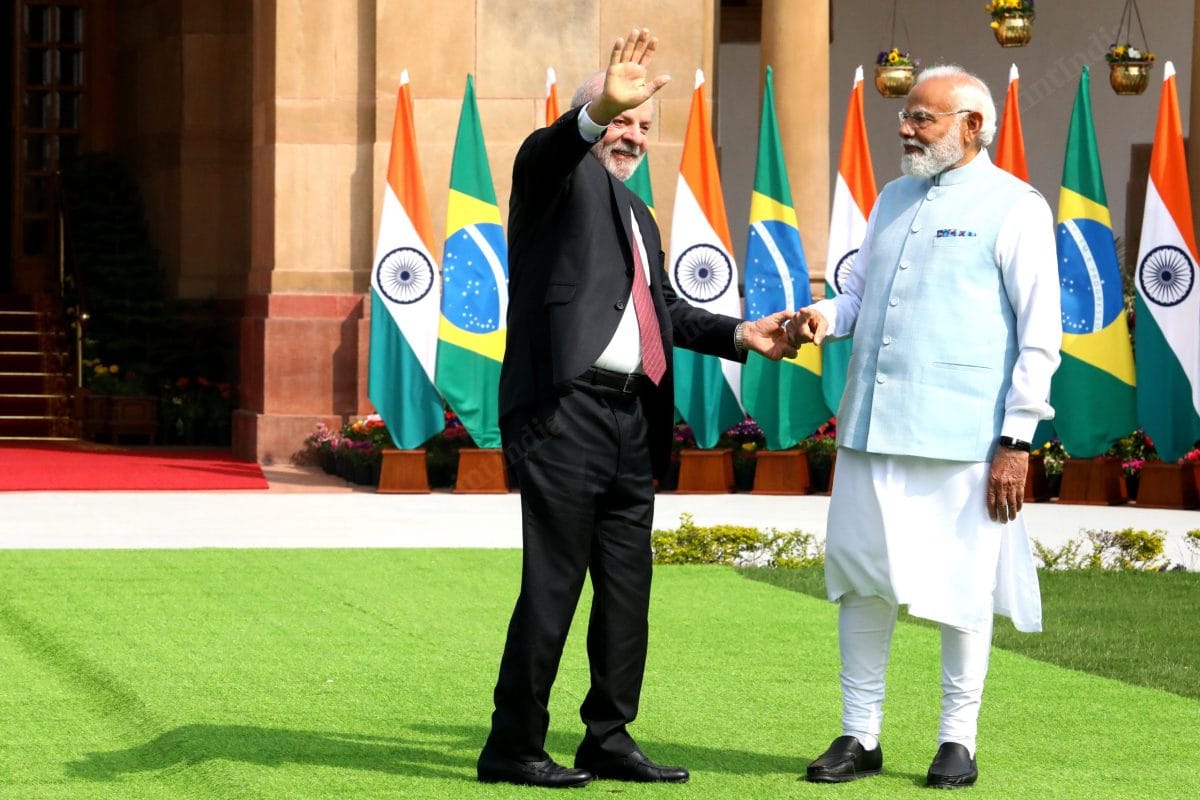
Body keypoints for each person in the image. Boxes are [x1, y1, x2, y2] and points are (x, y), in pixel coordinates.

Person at [476, 29, 798, 789]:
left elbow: (663, 313)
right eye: (621, 118)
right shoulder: (552, 181)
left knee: (627, 592)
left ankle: (608, 737)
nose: (634, 134)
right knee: (552, 588)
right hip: (564, 413)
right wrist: (596, 111)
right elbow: (551, 150)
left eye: (645, 125)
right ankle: (513, 745)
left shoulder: (637, 214)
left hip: (632, 420)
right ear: (593, 116)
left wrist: (739, 333)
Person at [790, 65, 1061, 789]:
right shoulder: (891, 198)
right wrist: (823, 319)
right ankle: (859, 733)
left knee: (962, 587)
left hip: (965, 439)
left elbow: (1040, 337)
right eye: (906, 117)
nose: (905, 129)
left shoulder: (1017, 207)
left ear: (972, 126)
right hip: (871, 430)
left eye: (923, 119)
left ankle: (957, 740)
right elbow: (858, 296)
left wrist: (1017, 440)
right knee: (861, 583)